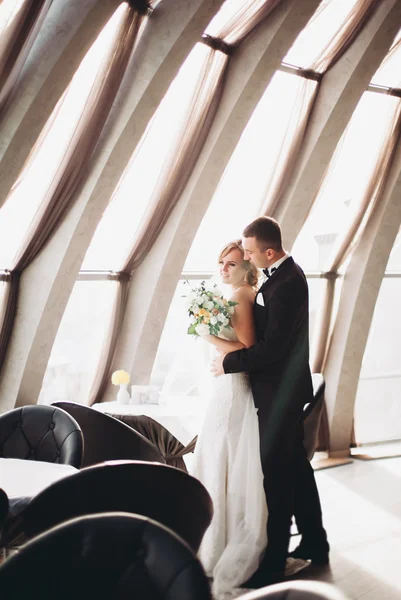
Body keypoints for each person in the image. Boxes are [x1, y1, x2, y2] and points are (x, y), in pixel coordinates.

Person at [211, 216, 329, 589]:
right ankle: (315, 542)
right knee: (296, 468)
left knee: (276, 477)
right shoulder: (280, 278)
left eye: (247, 251)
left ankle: (273, 563)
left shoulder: (287, 283)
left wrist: (229, 362)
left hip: (280, 394)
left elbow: (275, 349)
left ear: (269, 251)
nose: (245, 257)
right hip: (280, 390)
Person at [190, 240, 268, 596]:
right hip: (225, 387)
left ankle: (220, 547)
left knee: (225, 459)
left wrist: (209, 337)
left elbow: (249, 351)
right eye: (221, 262)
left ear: (247, 267)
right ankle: (211, 544)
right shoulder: (238, 293)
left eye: (232, 263)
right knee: (217, 461)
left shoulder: (242, 295)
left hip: (235, 389)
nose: (224, 268)